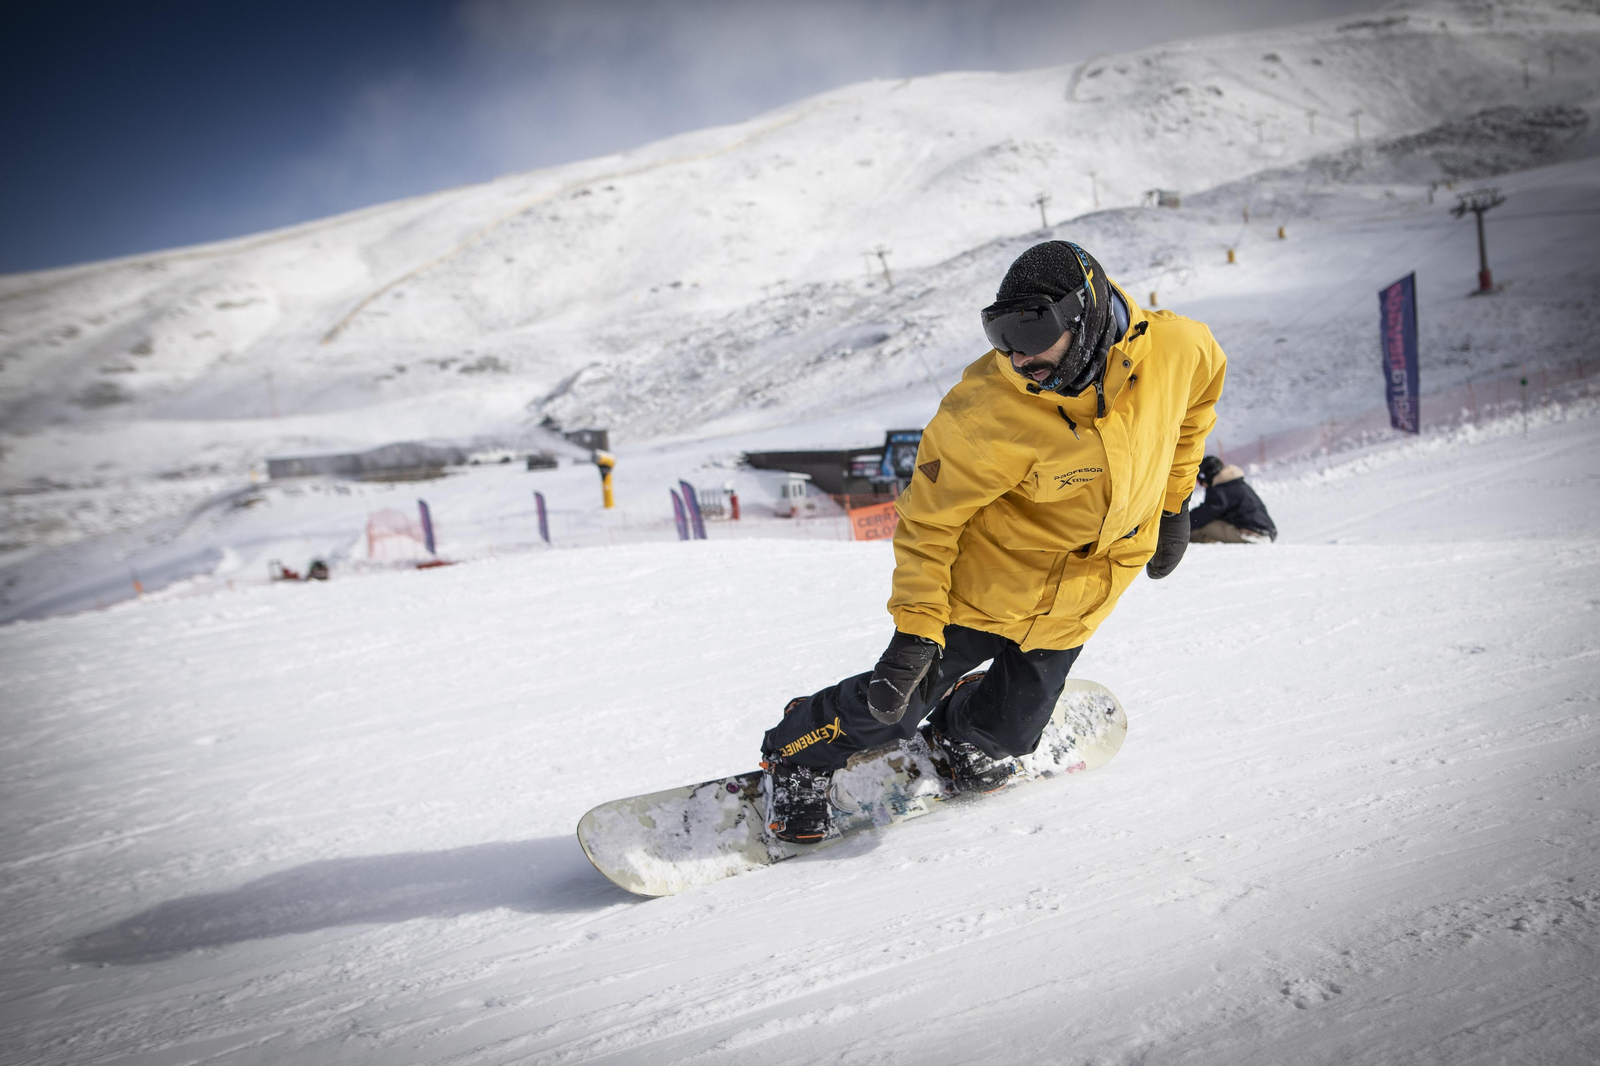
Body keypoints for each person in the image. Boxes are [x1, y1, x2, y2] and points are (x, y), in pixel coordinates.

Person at [759, 240, 1228, 842]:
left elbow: (1193, 414)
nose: (1018, 359)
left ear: (1081, 320)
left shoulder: (1180, 348)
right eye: (1002, 341)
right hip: (985, 585)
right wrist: (914, 631)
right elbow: (929, 523)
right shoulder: (982, 413)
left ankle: (962, 729)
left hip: (1084, 592)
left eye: (1032, 340)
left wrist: (1174, 506)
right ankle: (798, 749)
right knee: (893, 709)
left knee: (1009, 734)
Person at [1189, 455, 1277, 543]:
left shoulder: (1221, 489)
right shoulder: (1236, 484)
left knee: (1202, 528)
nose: (1202, 485)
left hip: (1253, 534)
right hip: (1266, 531)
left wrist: (1181, 522)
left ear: (1207, 476)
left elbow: (1206, 513)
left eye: (1200, 481)